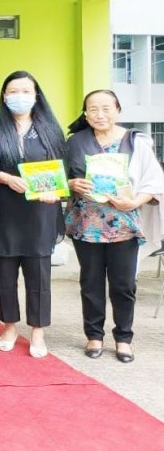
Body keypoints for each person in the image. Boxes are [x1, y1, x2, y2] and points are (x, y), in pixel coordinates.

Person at [64, 89, 164, 363]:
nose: (99, 114)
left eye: (106, 108)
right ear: (85, 113)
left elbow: (155, 182)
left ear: (118, 110)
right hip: (86, 225)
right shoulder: (76, 142)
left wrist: (134, 203)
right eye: (93, 109)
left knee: (123, 285)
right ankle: (94, 335)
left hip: (123, 224)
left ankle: (123, 338)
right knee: (91, 283)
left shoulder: (136, 142)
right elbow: (60, 178)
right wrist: (71, 184)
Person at [0, 71, 66, 359]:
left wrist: (56, 191)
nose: (19, 96)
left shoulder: (49, 128)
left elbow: (62, 169)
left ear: (36, 95)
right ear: (4, 95)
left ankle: (37, 330)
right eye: (12, 91)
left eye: (25, 91)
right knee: (4, 273)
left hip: (39, 212)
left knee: (38, 275)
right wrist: (6, 178)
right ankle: (9, 326)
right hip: (3, 210)